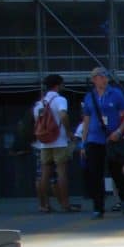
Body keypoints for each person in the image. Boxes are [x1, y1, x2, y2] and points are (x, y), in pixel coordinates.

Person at [79, 67, 124, 219]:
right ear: (94, 79)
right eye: (101, 77)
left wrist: (119, 131)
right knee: (95, 174)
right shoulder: (89, 97)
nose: (104, 80)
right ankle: (98, 207)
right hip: (94, 139)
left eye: (106, 77)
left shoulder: (116, 94)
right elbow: (86, 120)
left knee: (116, 171)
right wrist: (83, 142)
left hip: (111, 139)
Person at [33, 74, 77, 213]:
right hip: (59, 140)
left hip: (44, 142)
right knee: (61, 172)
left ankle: (44, 205)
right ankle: (65, 204)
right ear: (58, 85)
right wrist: (68, 132)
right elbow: (63, 115)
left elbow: (37, 122)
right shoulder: (60, 100)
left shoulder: (39, 103)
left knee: (44, 174)